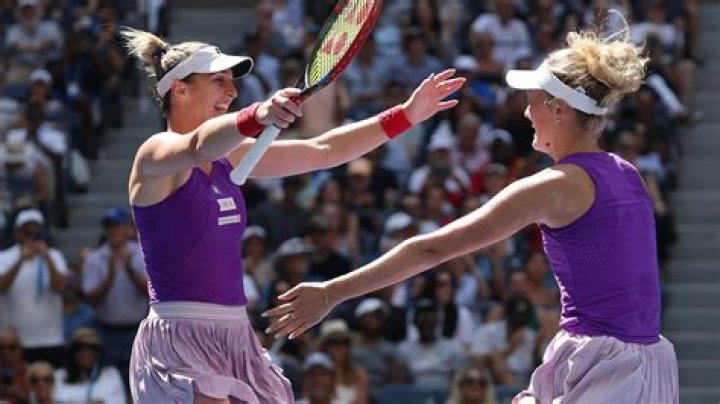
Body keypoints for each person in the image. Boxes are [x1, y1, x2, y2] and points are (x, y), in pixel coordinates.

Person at [264, 26, 679, 403]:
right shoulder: (628, 173)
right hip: (649, 360)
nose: (525, 112)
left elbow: (431, 250)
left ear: (559, 110)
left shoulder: (552, 186)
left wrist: (330, 293)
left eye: (532, 101)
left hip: (604, 361)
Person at [121, 26, 464, 404]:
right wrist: (258, 113)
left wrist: (406, 115)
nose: (232, 92)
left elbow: (323, 150)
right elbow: (199, 145)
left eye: (232, 82)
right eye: (218, 81)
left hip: (235, 334)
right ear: (180, 90)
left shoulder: (230, 155)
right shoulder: (155, 153)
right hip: (179, 340)